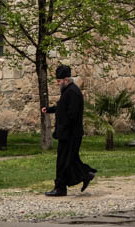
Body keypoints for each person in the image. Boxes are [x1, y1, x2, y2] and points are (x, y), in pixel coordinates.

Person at [41, 65, 96, 196]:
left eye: (59, 81)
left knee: (63, 161)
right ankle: (86, 174)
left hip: (70, 134)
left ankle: (61, 188)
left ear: (66, 80)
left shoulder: (72, 92)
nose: (57, 83)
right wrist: (49, 110)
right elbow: (62, 107)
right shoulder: (68, 91)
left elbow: (72, 115)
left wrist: (63, 128)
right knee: (70, 160)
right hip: (67, 133)